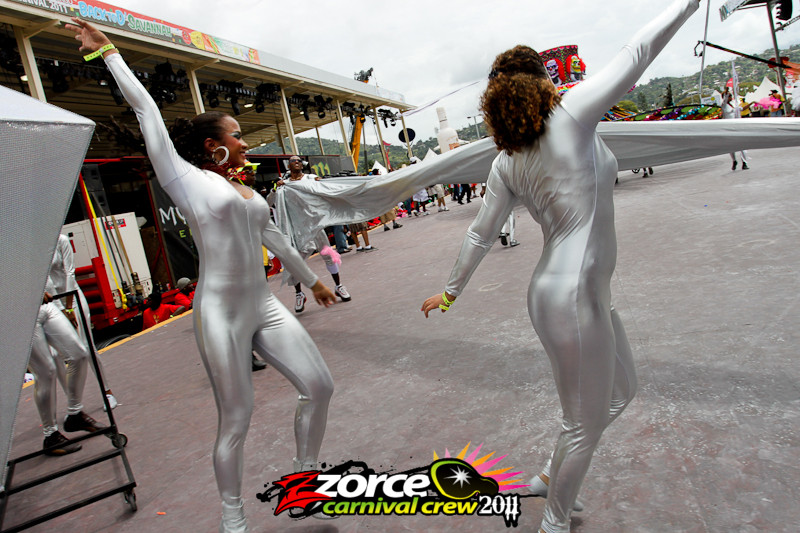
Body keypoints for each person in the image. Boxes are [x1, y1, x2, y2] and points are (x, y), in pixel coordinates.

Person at [421, 2, 700, 532]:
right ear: (544, 79)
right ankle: (553, 521)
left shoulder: (508, 159)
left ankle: (550, 477)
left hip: (575, 292)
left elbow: (481, 233)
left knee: (619, 395)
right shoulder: (570, 116)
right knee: (583, 423)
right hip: (571, 296)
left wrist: (452, 292)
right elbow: (638, 51)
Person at [67, 18, 337, 532]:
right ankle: (233, 518)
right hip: (219, 312)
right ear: (213, 143)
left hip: (264, 305)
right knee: (237, 417)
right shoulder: (183, 178)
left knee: (319, 386)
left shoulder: (248, 192)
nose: (244, 143)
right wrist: (107, 53)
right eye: (237, 135)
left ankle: (306, 483)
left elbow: (277, 241)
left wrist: (314, 279)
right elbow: (147, 110)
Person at [29, 284, 105, 456]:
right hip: (21, 313)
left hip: (45, 304)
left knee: (78, 354)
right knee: (46, 372)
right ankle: (50, 435)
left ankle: (75, 414)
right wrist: (26, 294)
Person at [49, 234, 118, 409]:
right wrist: (60, 308)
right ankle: (74, 404)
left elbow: (70, 273)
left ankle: (107, 392)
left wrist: (69, 308)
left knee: (87, 347)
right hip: (54, 303)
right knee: (55, 355)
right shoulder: (35, 248)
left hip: (73, 298)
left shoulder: (61, 240)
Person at [275, 155, 352, 312]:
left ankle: (338, 286)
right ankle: (299, 294)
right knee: (294, 261)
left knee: (328, 255)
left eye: (299, 160)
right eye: (293, 161)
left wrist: (319, 183)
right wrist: (276, 188)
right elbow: (272, 202)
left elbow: (323, 190)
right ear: (288, 166)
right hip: (296, 230)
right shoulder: (284, 184)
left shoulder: (310, 178)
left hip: (315, 226)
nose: (296, 162)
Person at [722, 88, 749, 170]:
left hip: (736, 126)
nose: (731, 97)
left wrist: (752, 103)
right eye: (729, 96)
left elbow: (742, 109)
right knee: (731, 146)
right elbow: (725, 99)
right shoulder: (723, 105)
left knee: (742, 145)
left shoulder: (733, 104)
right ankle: (734, 160)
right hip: (728, 128)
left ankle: (744, 162)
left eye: (731, 96)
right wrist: (726, 91)